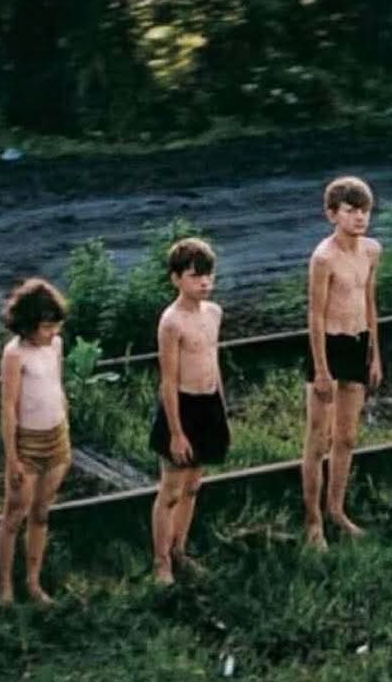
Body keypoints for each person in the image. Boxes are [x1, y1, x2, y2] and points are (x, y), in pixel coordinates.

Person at [302, 176, 382, 549]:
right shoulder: (323, 257)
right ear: (332, 214)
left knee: (347, 436)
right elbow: (315, 315)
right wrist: (320, 368)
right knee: (319, 439)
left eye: (364, 210)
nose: (359, 217)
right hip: (329, 346)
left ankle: (336, 509)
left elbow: (369, 302)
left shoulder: (371, 251)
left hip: (358, 342)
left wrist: (375, 352)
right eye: (350, 211)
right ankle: (312, 520)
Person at [149, 238, 230, 585]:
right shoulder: (171, 322)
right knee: (171, 489)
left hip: (208, 404)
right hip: (182, 407)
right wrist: (177, 432)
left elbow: (214, 364)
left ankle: (180, 550)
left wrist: (222, 412)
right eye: (196, 276)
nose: (204, 283)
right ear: (176, 279)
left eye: (208, 276)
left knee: (193, 486)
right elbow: (167, 382)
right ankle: (161, 561)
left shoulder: (214, 313)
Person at [0, 278, 73, 607]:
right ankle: (4, 586)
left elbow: (57, 386)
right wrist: (12, 458)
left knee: (41, 513)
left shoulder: (55, 345)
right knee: (14, 515)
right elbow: (9, 409)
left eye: (55, 326)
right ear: (27, 325)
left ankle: (33, 580)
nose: (52, 333)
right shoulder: (15, 355)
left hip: (56, 439)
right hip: (27, 444)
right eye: (45, 327)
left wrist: (65, 429)